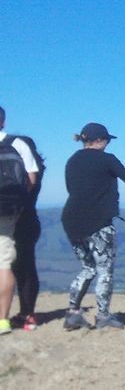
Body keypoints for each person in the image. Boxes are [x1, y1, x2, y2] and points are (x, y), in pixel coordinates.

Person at [61, 122, 125, 331]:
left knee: (88, 268)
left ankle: (72, 313)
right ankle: (103, 315)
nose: (107, 143)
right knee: (105, 270)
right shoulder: (107, 160)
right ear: (100, 140)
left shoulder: (72, 161)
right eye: (106, 140)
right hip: (99, 222)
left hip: (71, 220)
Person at [0, 106, 40, 335]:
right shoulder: (18, 144)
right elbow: (32, 178)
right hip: (12, 212)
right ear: (3, 121)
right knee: (9, 264)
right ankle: (9, 318)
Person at [12, 134, 45, 331]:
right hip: (28, 221)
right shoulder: (36, 172)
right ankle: (27, 313)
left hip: (8, 220)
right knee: (27, 268)